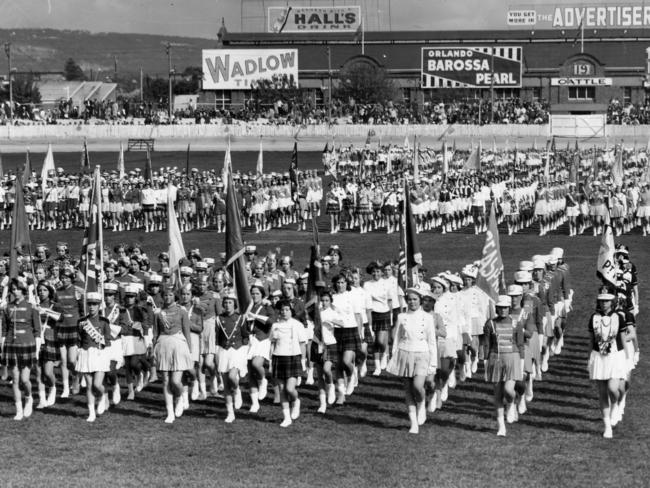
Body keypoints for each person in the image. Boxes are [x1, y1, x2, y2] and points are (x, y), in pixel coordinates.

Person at [387, 288, 437, 434]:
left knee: (418, 386)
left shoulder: (427, 317)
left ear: (420, 301)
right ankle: (413, 423)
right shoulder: (402, 317)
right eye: (409, 299)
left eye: (415, 299)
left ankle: (421, 403)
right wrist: (394, 356)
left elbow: (431, 341)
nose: (412, 302)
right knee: (408, 390)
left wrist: (433, 364)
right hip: (405, 353)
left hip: (422, 354)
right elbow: (397, 339)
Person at [587, 292, 628, 438]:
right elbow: (592, 340)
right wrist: (589, 358)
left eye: (607, 301)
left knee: (612, 388)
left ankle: (615, 404)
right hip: (599, 357)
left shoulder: (619, 317)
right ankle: (607, 426)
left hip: (615, 356)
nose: (604, 303)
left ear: (612, 302)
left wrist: (627, 358)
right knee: (602, 392)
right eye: (601, 301)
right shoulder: (594, 318)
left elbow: (623, 339)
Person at [483, 294, 524, 437]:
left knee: (508, 389)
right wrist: (486, 360)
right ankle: (501, 426)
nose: (503, 310)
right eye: (500, 308)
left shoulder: (516, 323)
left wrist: (522, 360)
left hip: (512, 358)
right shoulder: (490, 323)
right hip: (495, 358)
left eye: (505, 308)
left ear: (509, 308)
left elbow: (520, 344)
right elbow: (487, 344)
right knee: (498, 394)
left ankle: (512, 403)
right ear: (496, 308)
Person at [2, 278, 41, 420]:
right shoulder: (7, 307)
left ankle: (29, 398)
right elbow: (5, 330)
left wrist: (36, 349)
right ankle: (18, 409)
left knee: (25, 379)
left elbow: (37, 330)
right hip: (11, 345)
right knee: (16, 378)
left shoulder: (31, 307)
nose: (15, 291)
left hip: (27, 345)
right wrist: (2, 346)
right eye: (12, 289)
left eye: (17, 289)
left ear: (23, 290)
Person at [152, 286, 193, 424]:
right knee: (165, 380)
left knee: (175, 381)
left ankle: (180, 397)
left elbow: (187, 331)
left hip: (178, 345)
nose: (167, 298)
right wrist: (153, 349)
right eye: (165, 295)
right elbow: (156, 333)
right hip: (163, 345)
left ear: (175, 296)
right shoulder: (158, 313)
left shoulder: (182, 311)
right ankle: (170, 412)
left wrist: (190, 349)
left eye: (170, 295)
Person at [270, 299, 307, 427]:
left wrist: (303, 361)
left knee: (289, 388)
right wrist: (270, 361)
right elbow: (272, 344)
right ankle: (286, 417)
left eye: (287, 310)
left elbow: (303, 344)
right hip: (278, 358)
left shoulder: (297, 325)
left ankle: (296, 401)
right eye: (282, 310)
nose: (284, 312)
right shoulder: (275, 326)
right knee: (281, 389)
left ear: (291, 311)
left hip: (293, 358)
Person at [75, 292, 112, 423]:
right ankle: (91, 412)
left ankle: (102, 396)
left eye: (94, 304)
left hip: (99, 354)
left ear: (99, 305)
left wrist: (101, 341)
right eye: (90, 304)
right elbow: (79, 338)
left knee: (97, 384)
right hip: (86, 354)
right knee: (89, 385)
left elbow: (108, 340)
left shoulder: (104, 322)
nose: (91, 307)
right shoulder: (81, 321)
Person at [215, 292, 249, 423]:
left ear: (235, 305)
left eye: (230, 302)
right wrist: (217, 351)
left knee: (232, 377)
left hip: (237, 350)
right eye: (226, 303)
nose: (227, 305)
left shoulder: (240, 318)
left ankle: (237, 390)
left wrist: (244, 350)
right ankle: (230, 413)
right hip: (224, 351)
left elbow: (245, 335)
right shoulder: (219, 318)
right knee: (225, 383)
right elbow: (217, 337)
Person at [245, 283, 275, 413]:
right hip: (250, 340)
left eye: (257, 293)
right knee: (251, 372)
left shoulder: (267, 306)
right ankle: (254, 402)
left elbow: (271, 321)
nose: (255, 295)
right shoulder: (249, 307)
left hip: (262, 339)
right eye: (253, 293)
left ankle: (263, 380)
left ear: (262, 295)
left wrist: (255, 316)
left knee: (257, 364)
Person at [35, 280, 63, 409]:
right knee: (38, 372)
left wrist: (45, 311)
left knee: (47, 372)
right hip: (36, 339)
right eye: (40, 290)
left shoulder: (55, 305)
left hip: (50, 338)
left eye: (44, 290)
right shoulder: (35, 304)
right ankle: (42, 399)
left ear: (50, 291)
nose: (42, 292)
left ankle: (52, 387)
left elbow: (61, 317)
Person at [363, 261, 393, 375]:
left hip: (384, 313)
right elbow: (366, 301)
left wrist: (390, 316)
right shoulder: (367, 284)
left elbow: (390, 300)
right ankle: (377, 366)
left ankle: (385, 354)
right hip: (372, 313)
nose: (376, 274)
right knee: (375, 341)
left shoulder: (387, 283)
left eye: (378, 271)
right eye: (374, 271)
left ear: (381, 272)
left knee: (381, 341)